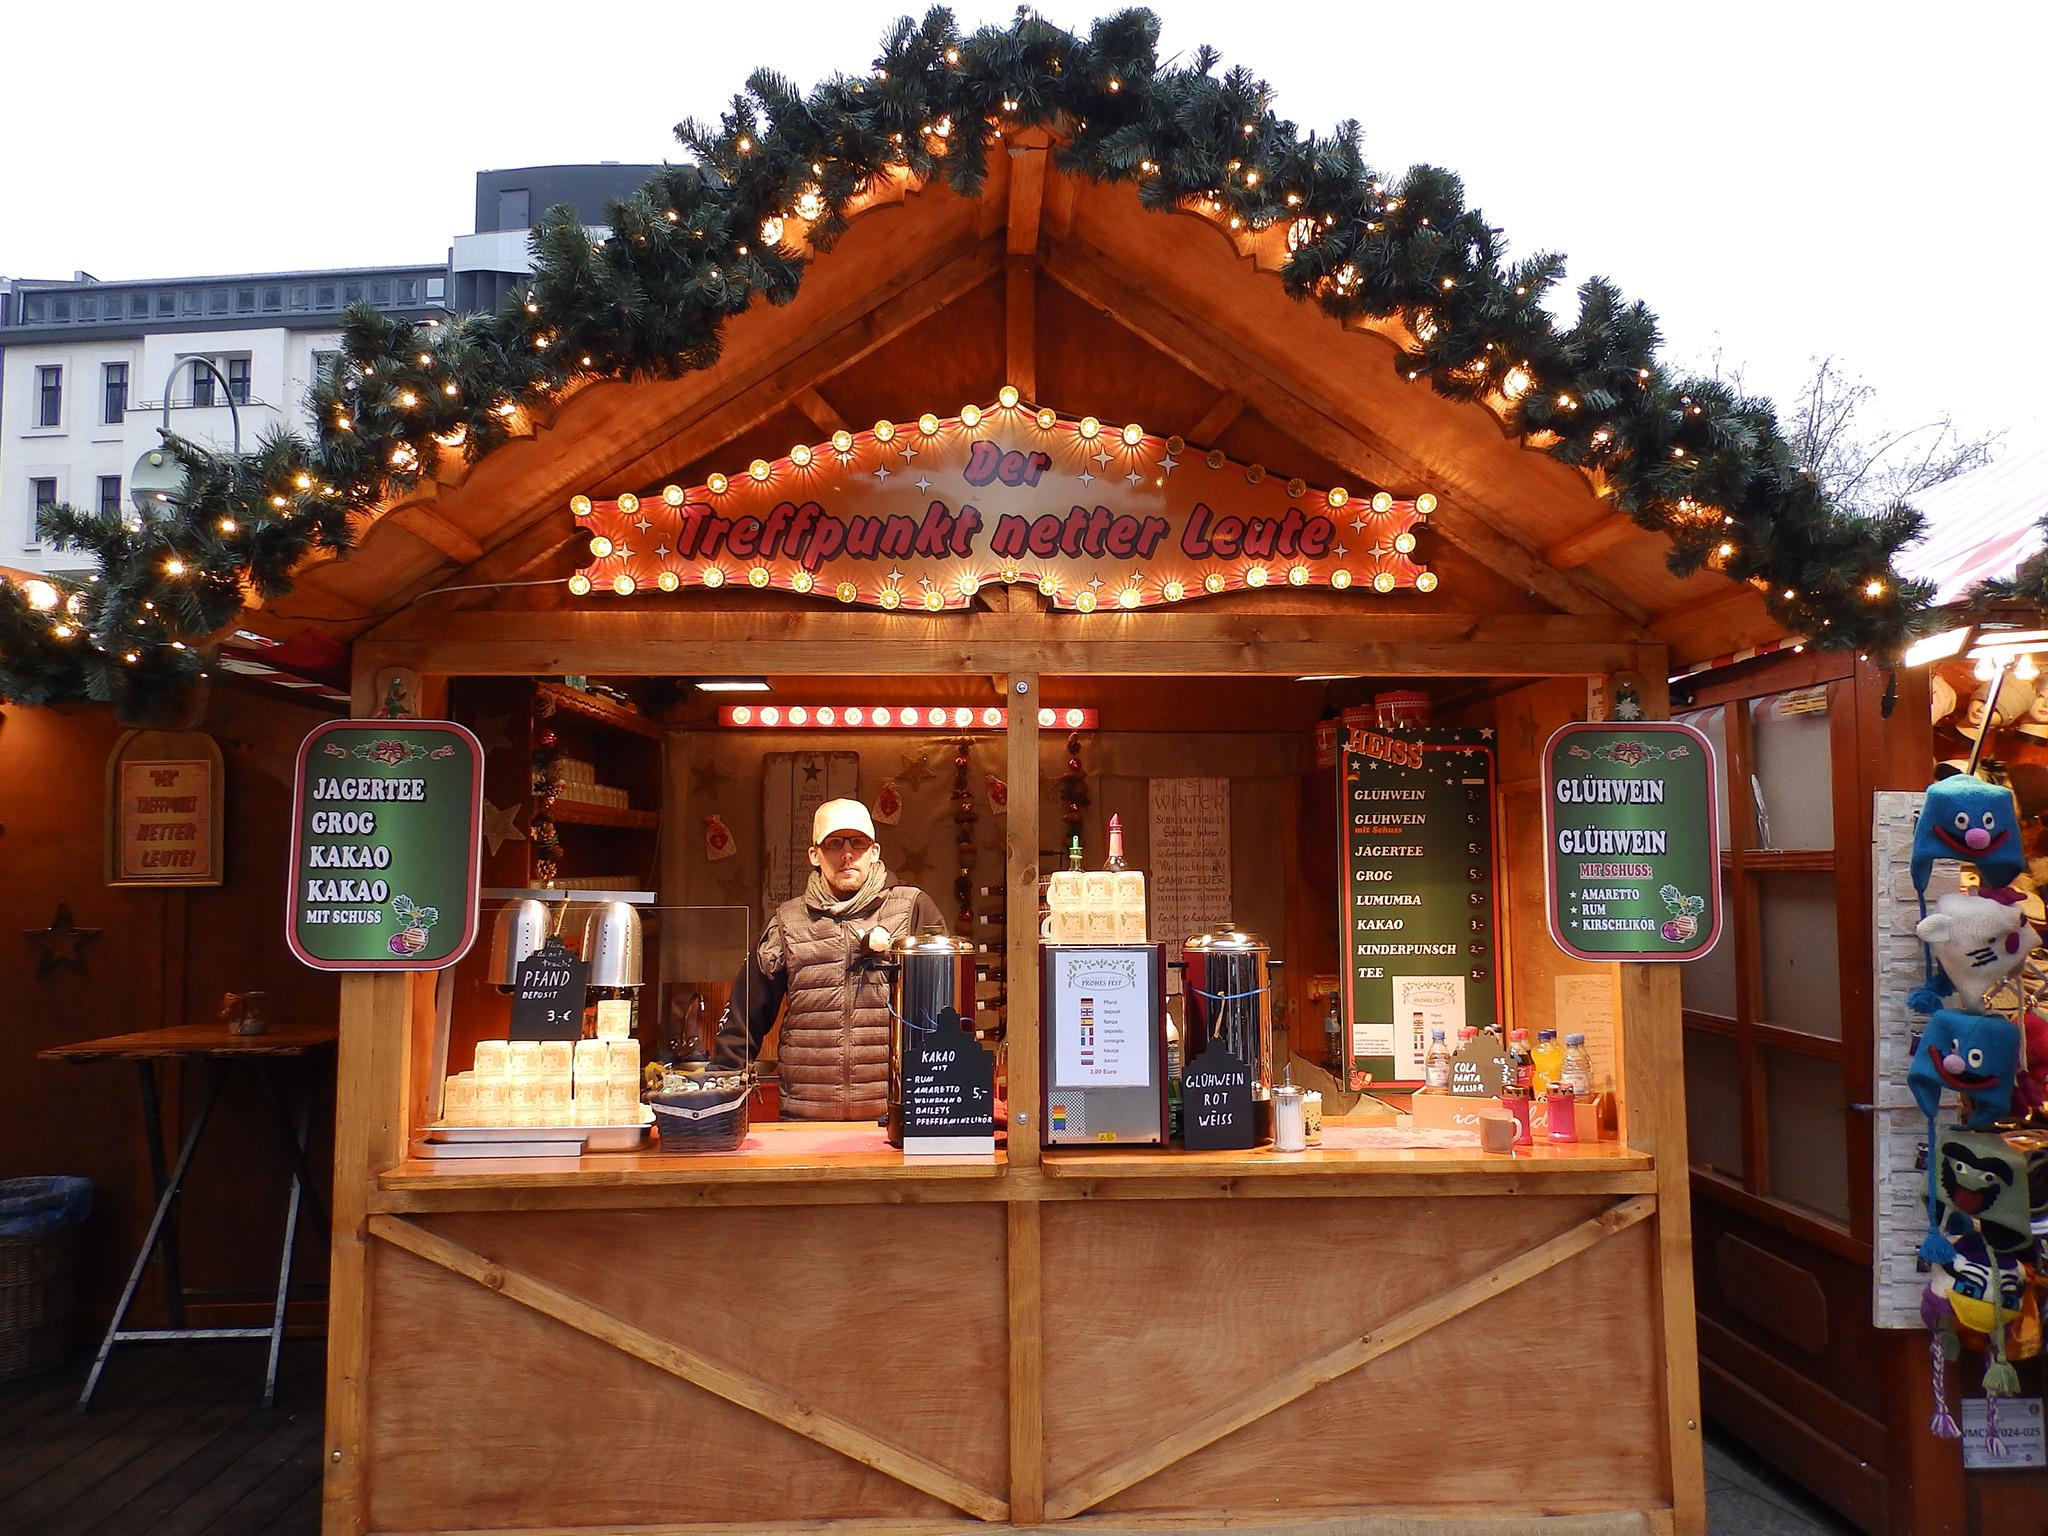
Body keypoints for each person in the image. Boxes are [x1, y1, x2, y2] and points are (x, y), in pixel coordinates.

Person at [715, 798, 945, 1120]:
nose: (847, 854)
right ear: (815, 854)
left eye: (858, 843)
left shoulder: (913, 909)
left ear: (875, 851)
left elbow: (944, 1014)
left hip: (895, 1114)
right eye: (834, 843)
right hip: (805, 1116)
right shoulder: (787, 921)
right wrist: (718, 1094)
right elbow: (744, 1018)